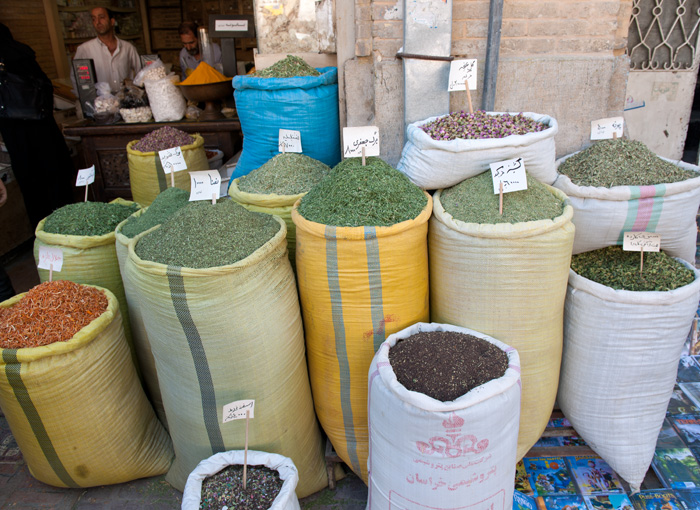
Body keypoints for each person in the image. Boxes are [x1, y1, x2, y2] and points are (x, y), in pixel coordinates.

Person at [0, 23, 75, 229]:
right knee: (58, 190)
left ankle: (47, 242)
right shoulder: (24, 55)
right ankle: (72, 236)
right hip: (46, 136)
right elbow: (46, 93)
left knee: (35, 198)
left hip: (20, 144)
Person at [73, 7, 141, 93]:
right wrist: (88, 101)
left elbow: (141, 73)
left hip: (125, 102)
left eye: (101, 17)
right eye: (94, 19)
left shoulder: (128, 48)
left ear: (112, 21)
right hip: (101, 104)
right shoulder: (85, 49)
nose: (97, 22)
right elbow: (76, 79)